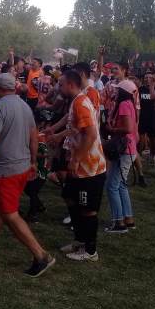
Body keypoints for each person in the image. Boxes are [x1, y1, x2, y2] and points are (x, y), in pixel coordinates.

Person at [0, 73, 55, 277]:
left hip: (7, 169)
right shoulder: (24, 105)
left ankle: (41, 256)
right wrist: (33, 161)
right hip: (22, 165)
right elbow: (33, 136)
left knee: (10, 214)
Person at [53, 70, 107, 262]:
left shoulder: (81, 103)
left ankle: (90, 251)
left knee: (87, 209)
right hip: (78, 166)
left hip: (89, 169)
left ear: (70, 84)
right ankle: (79, 241)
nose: (58, 88)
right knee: (69, 198)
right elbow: (74, 128)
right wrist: (54, 133)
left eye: (61, 84)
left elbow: (91, 135)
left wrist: (76, 160)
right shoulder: (75, 101)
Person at [104, 79, 138, 234]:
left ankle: (118, 222)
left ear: (123, 92)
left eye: (118, 90)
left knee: (112, 185)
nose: (115, 92)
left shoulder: (124, 105)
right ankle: (128, 219)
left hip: (123, 149)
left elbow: (127, 128)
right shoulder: (130, 104)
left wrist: (112, 129)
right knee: (121, 185)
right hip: (128, 149)